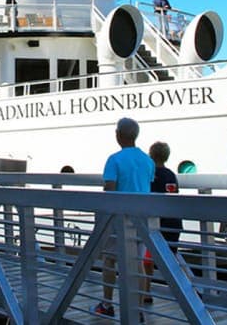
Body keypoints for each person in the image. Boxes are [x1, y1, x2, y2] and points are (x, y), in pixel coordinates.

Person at [92, 118, 155, 321]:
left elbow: (110, 189)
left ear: (119, 135)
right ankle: (138, 309)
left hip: (119, 218)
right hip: (141, 219)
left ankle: (107, 303)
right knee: (137, 262)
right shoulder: (148, 160)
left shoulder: (114, 159)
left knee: (110, 259)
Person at [143, 141, 183, 304]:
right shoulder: (171, 174)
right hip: (173, 221)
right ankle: (187, 290)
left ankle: (146, 291)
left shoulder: (151, 175)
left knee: (147, 258)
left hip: (156, 223)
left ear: (151, 155)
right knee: (171, 259)